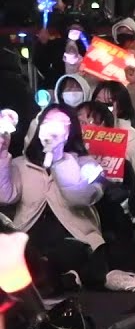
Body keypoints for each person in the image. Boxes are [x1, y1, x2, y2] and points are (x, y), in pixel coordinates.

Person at [0, 105, 105, 289]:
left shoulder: (87, 164)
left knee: (67, 254)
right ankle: (56, 279)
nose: (53, 129)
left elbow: (80, 197)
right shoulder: (20, 164)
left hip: (73, 238)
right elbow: (5, 195)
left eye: (61, 124)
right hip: (30, 237)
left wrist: (58, 159)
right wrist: (2, 154)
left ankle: (59, 278)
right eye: (48, 123)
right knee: (24, 258)